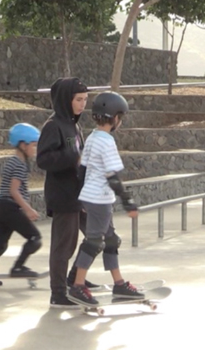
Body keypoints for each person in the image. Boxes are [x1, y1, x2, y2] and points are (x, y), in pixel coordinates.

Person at [67, 91, 143, 306]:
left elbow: (82, 169)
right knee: (94, 242)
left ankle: (119, 284)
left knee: (111, 240)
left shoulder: (92, 137)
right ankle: (78, 286)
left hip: (89, 197)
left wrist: (81, 198)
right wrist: (128, 201)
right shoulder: (107, 141)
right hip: (100, 199)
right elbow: (113, 176)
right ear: (116, 118)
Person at [36, 77, 97, 308]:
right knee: (64, 246)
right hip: (63, 196)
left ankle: (75, 278)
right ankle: (58, 293)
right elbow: (43, 159)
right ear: (66, 100)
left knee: (97, 236)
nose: (83, 105)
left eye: (85, 100)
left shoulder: (75, 125)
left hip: (81, 194)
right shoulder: (54, 126)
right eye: (78, 99)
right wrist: (73, 158)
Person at [0, 123, 42, 285]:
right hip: (10, 207)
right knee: (35, 238)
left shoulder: (13, 161)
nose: (35, 150)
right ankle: (18, 267)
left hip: (2, 206)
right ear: (22, 144)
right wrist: (28, 209)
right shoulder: (19, 165)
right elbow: (14, 191)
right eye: (33, 146)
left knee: (0, 245)